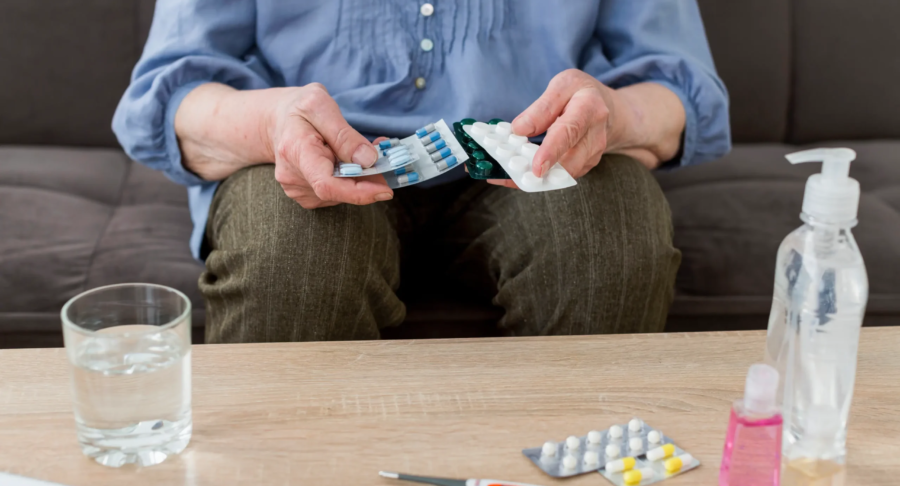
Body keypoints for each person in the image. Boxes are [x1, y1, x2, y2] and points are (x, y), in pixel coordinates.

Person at [114, 1, 730, 343]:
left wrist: (616, 112)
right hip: (314, 161)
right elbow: (171, 97)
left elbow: (680, 86)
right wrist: (274, 123)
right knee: (293, 254)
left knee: (609, 234)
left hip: (529, 159)